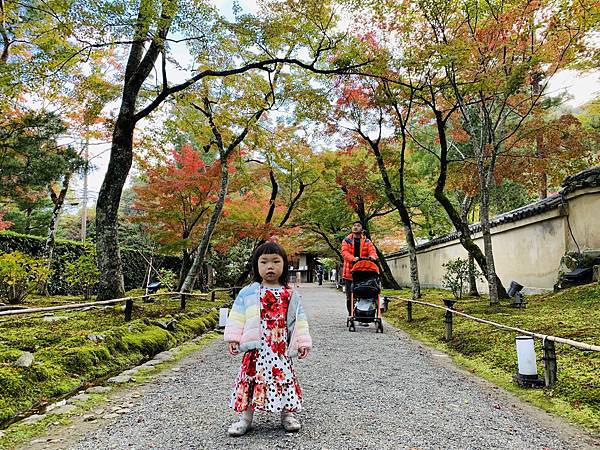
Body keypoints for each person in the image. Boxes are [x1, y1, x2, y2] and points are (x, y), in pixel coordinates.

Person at [224, 241, 312, 437]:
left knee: (284, 379)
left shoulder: (290, 294)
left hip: (280, 349)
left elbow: (300, 319)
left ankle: (287, 415)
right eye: (264, 262)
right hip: (256, 348)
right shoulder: (248, 292)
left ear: (284, 265)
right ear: (256, 265)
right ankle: (245, 419)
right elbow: (237, 316)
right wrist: (233, 338)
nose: (270, 266)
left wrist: (303, 341)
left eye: (275, 261)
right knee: (251, 380)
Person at [341, 221, 378, 324]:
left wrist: (372, 257)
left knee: (365, 294)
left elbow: (372, 251)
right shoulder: (347, 240)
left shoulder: (366, 241)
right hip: (349, 273)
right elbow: (344, 253)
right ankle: (351, 314)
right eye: (354, 226)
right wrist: (353, 259)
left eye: (358, 226)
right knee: (350, 296)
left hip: (364, 272)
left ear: (362, 229)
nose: (355, 227)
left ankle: (364, 315)